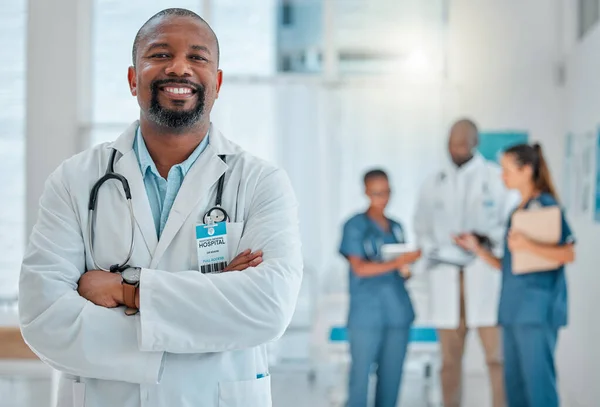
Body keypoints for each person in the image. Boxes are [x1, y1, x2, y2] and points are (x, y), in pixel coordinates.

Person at [18, 8, 303, 407]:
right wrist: (211, 308)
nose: (180, 68)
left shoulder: (260, 182)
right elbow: (44, 319)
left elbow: (268, 307)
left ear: (217, 83)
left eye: (198, 57)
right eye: (160, 54)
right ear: (134, 79)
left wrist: (126, 291)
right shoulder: (75, 180)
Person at [455, 143, 575, 407]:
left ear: (527, 170)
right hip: (514, 311)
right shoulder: (517, 211)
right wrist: (477, 248)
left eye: (507, 170)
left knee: (538, 388)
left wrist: (528, 245)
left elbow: (567, 254)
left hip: (536, 312)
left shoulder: (545, 205)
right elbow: (509, 265)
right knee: (516, 388)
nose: (503, 176)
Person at [413, 119, 516, 407]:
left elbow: (509, 228)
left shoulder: (495, 179)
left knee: (496, 359)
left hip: (483, 279)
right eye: (450, 142)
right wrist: (436, 247)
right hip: (446, 278)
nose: (454, 149)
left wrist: (481, 239)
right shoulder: (433, 182)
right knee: (449, 362)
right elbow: (421, 227)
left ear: (475, 143)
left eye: (460, 143)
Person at [339, 169, 422, 407]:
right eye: (376, 193)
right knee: (359, 381)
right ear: (366, 192)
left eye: (386, 192)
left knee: (392, 381)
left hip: (397, 313)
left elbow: (401, 273)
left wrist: (406, 269)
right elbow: (360, 269)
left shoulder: (396, 227)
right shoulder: (354, 225)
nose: (382, 198)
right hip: (367, 314)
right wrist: (398, 261)